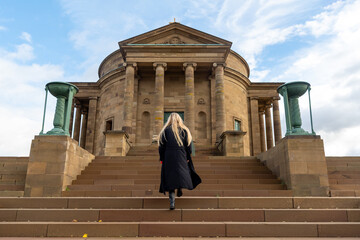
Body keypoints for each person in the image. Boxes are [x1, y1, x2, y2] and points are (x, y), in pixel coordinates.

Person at [158, 112, 201, 210]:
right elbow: (189, 146)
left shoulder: (165, 131)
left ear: (169, 120)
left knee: (170, 178)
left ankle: (172, 203)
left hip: (169, 156)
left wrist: (161, 158)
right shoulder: (185, 131)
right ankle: (180, 188)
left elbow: (161, 147)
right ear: (179, 120)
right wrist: (188, 156)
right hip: (181, 155)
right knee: (181, 173)